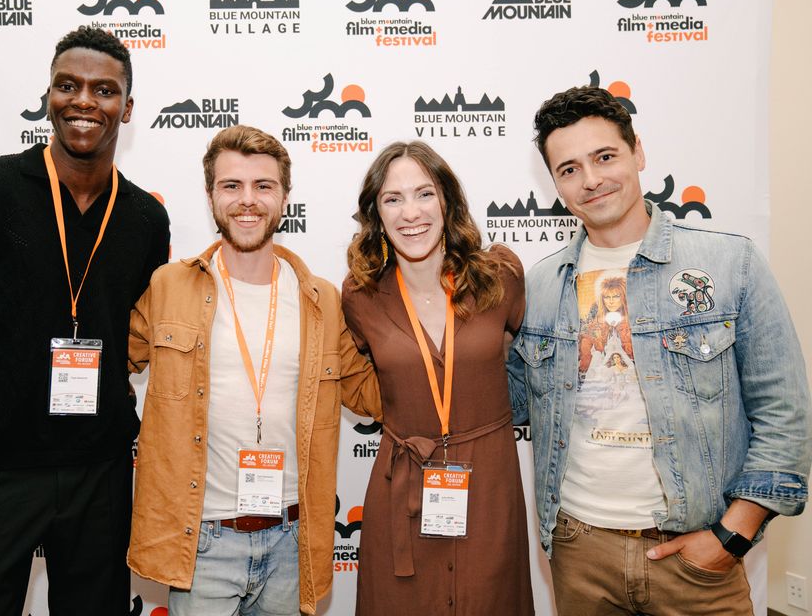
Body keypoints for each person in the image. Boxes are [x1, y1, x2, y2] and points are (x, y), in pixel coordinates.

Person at [508, 85, 811, 615]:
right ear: (555, 183)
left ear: (638, 152)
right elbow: (504, 403)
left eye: (605, 157)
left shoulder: (729, 264)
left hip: (697, 557)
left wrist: (732, 537)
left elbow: (785, 413)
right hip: (580, 550)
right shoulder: (539, 285)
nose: (591, 179)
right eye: (569, 168)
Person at [0, 26, 170, 614]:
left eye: (104, 90)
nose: (84, 101)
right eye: (67, 86)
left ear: (126, 109)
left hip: (99, 472)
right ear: (47, 96)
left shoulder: (147, 220)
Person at [126, 125, 380, 616]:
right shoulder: (168, 286)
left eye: (263, 186)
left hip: (291, 541)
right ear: (210, 195)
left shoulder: (321, 300)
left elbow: (370, 394)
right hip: (200, 543)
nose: (248, 201)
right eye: (232, 186)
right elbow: (111, 364)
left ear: (285, 197)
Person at [343, 141, 534, 614]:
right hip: (401, 489)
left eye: (424, 194)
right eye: (393, 199)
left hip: (490, 484)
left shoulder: (501, 277)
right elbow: (355, 384)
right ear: (377, 214)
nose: (411, 213)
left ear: (447, 200)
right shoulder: (360, 295)